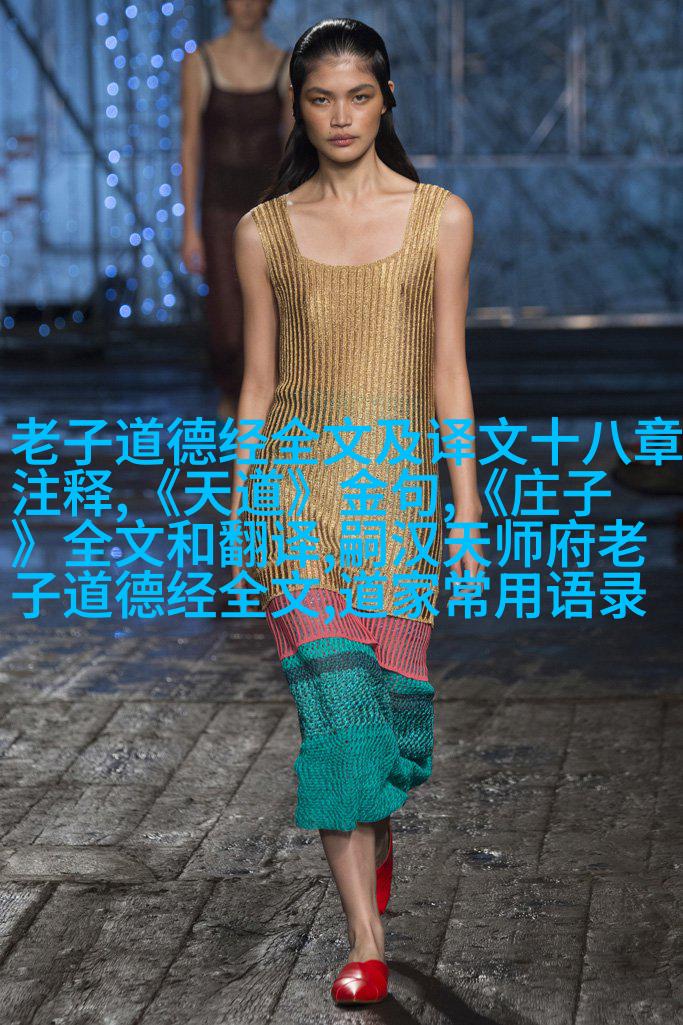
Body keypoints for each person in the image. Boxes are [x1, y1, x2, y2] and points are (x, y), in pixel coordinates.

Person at [229, 17, 483, 1005]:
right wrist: (239, 508)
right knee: (337, 721)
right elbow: (258, 385)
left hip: (396, 507)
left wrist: (466, 511)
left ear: (386, 101)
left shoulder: (440, 219)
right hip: (292, 503)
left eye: (358, 96)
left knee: (387, 728)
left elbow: (448, 374)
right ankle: (364, 941)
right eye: (320, 98)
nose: (340, 116)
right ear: (296, 108)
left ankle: (372, 837)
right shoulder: (264, 230)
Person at [180, 0, 294, 422]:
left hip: (270, 209)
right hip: (218, 209)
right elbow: (190, 144)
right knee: (227, 325)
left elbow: (293, 146)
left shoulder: (285, 64)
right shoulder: (200, 61)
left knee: (270, 314)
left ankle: (259, 414)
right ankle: (232, 398)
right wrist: (189, 228)